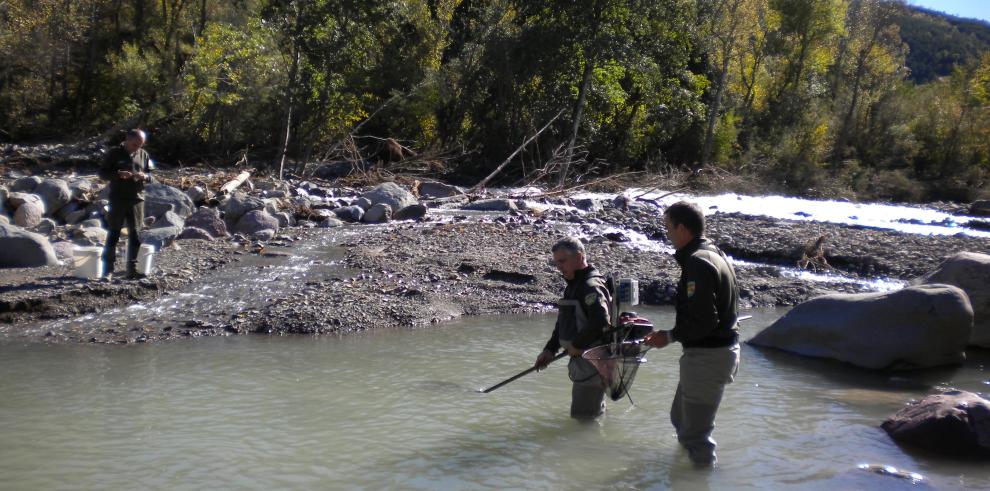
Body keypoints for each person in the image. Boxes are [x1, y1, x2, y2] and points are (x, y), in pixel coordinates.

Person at [644, 201, 740, 466]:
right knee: (680, 418)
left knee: (696, 434)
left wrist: (670, 336)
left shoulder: (698, 261)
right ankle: (687, 471)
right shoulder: (712, 253)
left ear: (682, 229)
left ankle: (701, 477)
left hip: (709, 357)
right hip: (711, 355)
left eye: (668, 228)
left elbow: (704, 321)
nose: (667, 234)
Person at [534, 237, 613, 419]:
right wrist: (550, 349)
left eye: (562, 261)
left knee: (583, 419)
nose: (559, 267)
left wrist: (577, 345)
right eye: (556, 263)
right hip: (583, 362)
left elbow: (601, 321)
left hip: (593, 363)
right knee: (591, 414)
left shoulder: (590, 286)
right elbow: (563, 322)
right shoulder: (573, 285)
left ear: (578, 257)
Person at [99, 129, 153, 281]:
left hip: (137, 199)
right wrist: (118, 175)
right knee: (114, 233)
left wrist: (145, 176)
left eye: (140, 145)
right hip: (118, 199)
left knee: (135, 235)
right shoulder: (114, 154)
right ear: (127, 140)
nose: (137, 147)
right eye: (135, 144)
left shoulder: (144, 154)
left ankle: (132, 270)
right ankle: (108, 270)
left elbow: (152, 175)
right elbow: (102, 173)